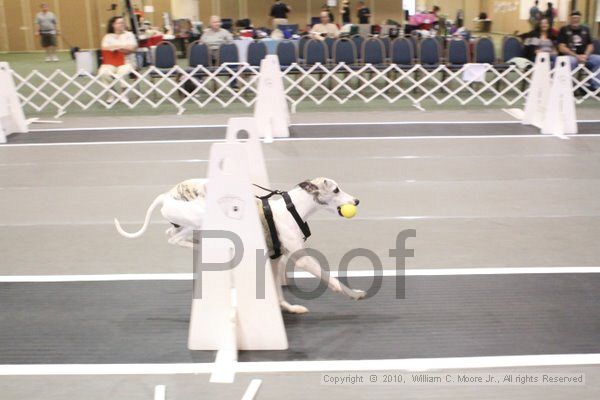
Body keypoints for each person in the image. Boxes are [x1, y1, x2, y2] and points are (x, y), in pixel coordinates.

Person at [98, 16, 138, 103]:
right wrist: (123, 47)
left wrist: (117, 47)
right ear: (113, 25)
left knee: (122, 72)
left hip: (126, 62)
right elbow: (104, 49)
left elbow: (132, 48)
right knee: (103, 72)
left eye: (123, 22)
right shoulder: (107, 37)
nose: (122, 24)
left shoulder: (129, 35)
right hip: (111, 62)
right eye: (119, 23)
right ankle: (112, 94)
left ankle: (124, 94)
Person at [557, 11, 600, 89]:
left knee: (598, 59)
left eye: (577, 18)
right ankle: (571, 87)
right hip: (570, 56)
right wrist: (576, 56)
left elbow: (590, 45)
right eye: (573, 18)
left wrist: (586, 55)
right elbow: (561, 47)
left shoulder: (586, 29)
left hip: (584, 56)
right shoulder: (564, 29)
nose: (575, 20)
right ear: (570, 18)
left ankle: (595, 86)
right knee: (572, 61)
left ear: (580, 18)